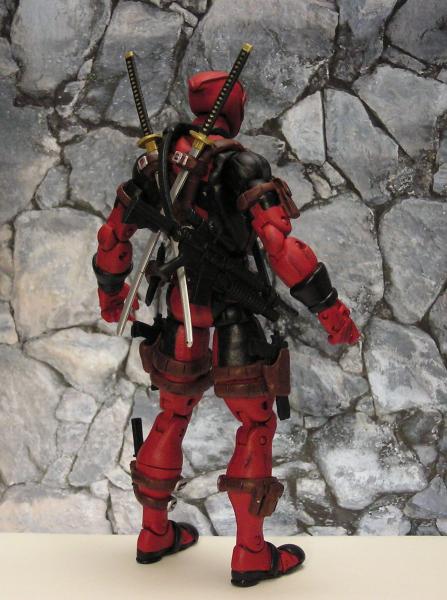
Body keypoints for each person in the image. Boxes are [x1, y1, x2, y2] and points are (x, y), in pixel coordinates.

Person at [92, 71, 360, 587]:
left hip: (179, 311)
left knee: (172, 414)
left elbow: (112, 236)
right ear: (233, 105)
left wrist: (111, 294)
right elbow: (280, 245)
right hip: (233, 313)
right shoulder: (242, 165)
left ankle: (152, 534)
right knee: (255, 425)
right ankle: (251, 554)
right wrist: (330, 310)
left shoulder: (157, 162)